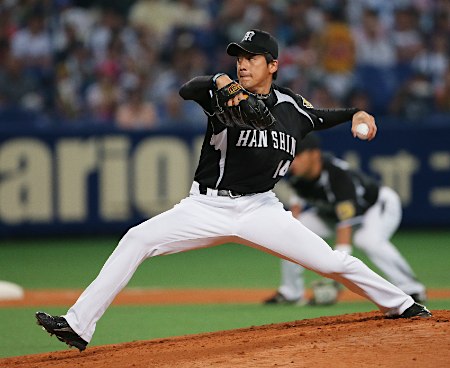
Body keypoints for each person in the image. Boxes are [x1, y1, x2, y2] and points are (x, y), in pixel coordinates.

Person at [35, 29, 431, 353]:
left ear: (273, 65)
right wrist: (221, 83)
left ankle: (403, 304)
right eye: (239, 57)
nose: (242, 63)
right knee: (137, 238)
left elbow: (330, 115)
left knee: (331, 263)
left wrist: (357, 115)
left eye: (252, 57)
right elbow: (187, 89)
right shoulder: (221, 95)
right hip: (204, 206)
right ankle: (77, 325)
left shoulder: (292, 107)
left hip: (261, 210)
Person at [264, 133, 427, 305]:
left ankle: (412, 289)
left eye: (298, 155)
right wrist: (292, 225)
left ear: (314, 154)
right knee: (292, 232)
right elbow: (297, 202)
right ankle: (291, 292)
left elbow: (345, 227)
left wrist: (337, 281)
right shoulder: (295, 172)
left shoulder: (338, 177)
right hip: (332, 214)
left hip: (376, 206)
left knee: (367, 240)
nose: (293, 161)